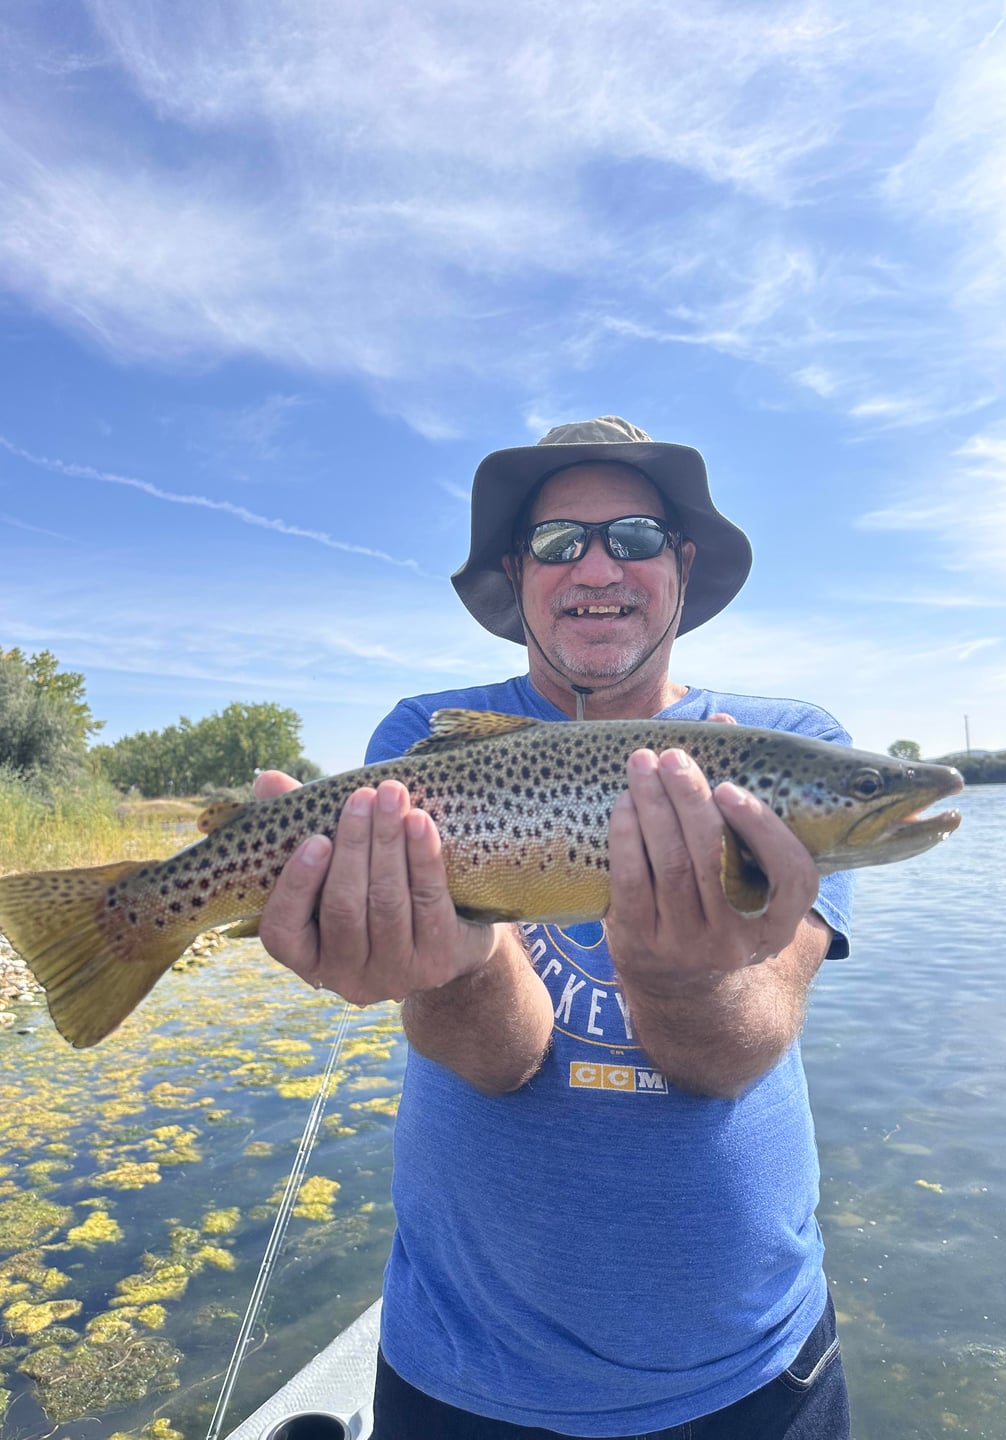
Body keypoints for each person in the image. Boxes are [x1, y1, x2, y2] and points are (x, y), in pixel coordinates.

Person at [255, 416, 854, 1440]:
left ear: (682, 565)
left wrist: (681, 978)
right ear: (516, 574)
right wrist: (453, 970)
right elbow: (497, 1061)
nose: (597, 566)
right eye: (557, 541)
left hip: (753, 1372)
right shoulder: (423, 742)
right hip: (462, 1375)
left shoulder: (781, 746)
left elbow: (731, 1057)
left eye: (634, 536)